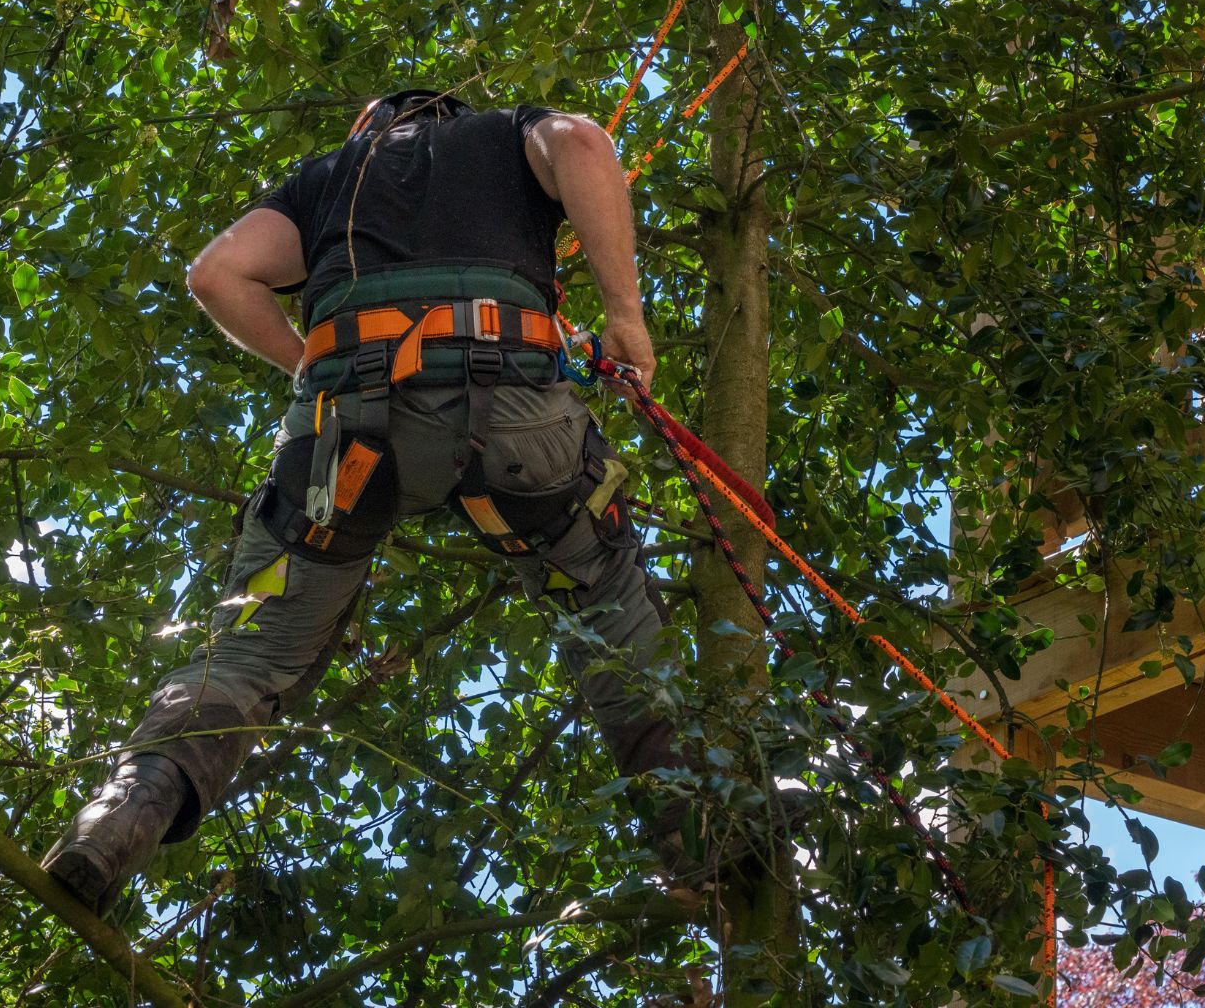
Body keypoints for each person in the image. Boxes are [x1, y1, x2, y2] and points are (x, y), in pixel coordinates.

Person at [40, 89, 713, 916]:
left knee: (251, 653)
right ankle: (704, 829)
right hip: (512, 410)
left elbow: (216, 275)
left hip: (344, 432)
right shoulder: (506, 133)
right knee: (606, 602)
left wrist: (307, 364)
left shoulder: (328, 178)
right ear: (445, 116)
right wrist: (625, 317)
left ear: (371, 127)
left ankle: (124, 811)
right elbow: (579, 144)